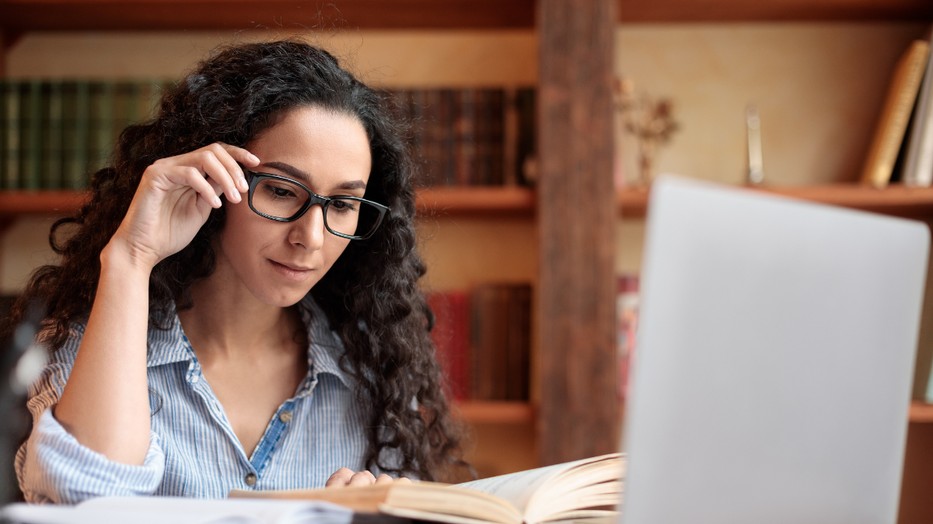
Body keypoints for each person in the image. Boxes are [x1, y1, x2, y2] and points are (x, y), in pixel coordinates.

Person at [1, 39, 469, 504]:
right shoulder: (91, 345)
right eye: (283, 191)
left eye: (343, 204)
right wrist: (130, 257)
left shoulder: (372, 369)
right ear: (212, 177)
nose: (311, 238)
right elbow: (87, 501)